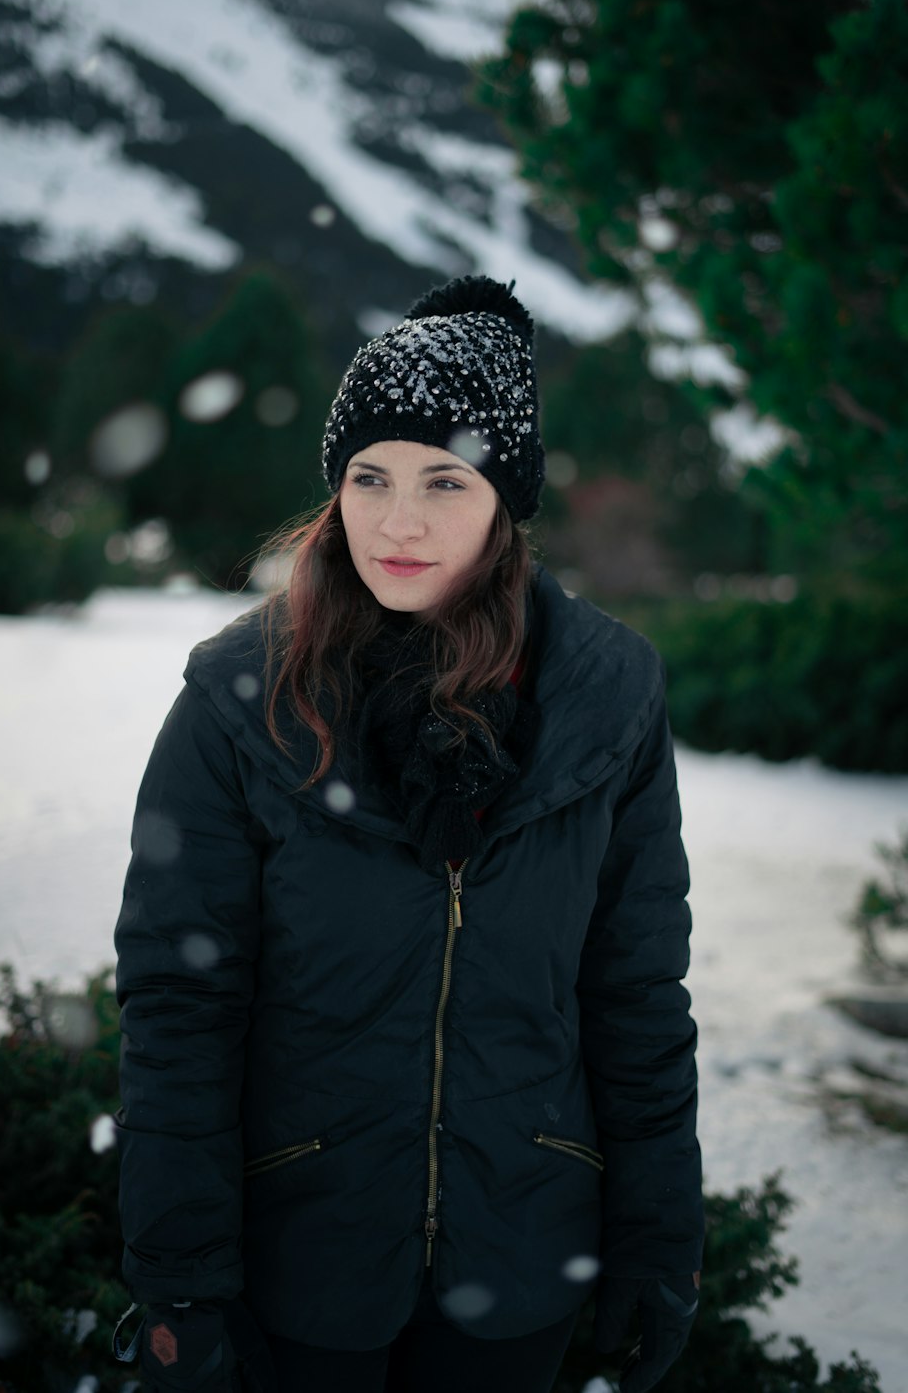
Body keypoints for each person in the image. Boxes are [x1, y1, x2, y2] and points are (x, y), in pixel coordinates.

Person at [113, 276, 703, 1393]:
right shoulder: (240, 698)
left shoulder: (606, 696)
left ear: (505, 501)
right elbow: (179, 998)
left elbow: (635, 989)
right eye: (368, 477)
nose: (398, 519)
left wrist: (657, 1238)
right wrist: (180, 1275)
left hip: (522, 1254)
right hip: (300, 1254)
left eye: (445, 479)